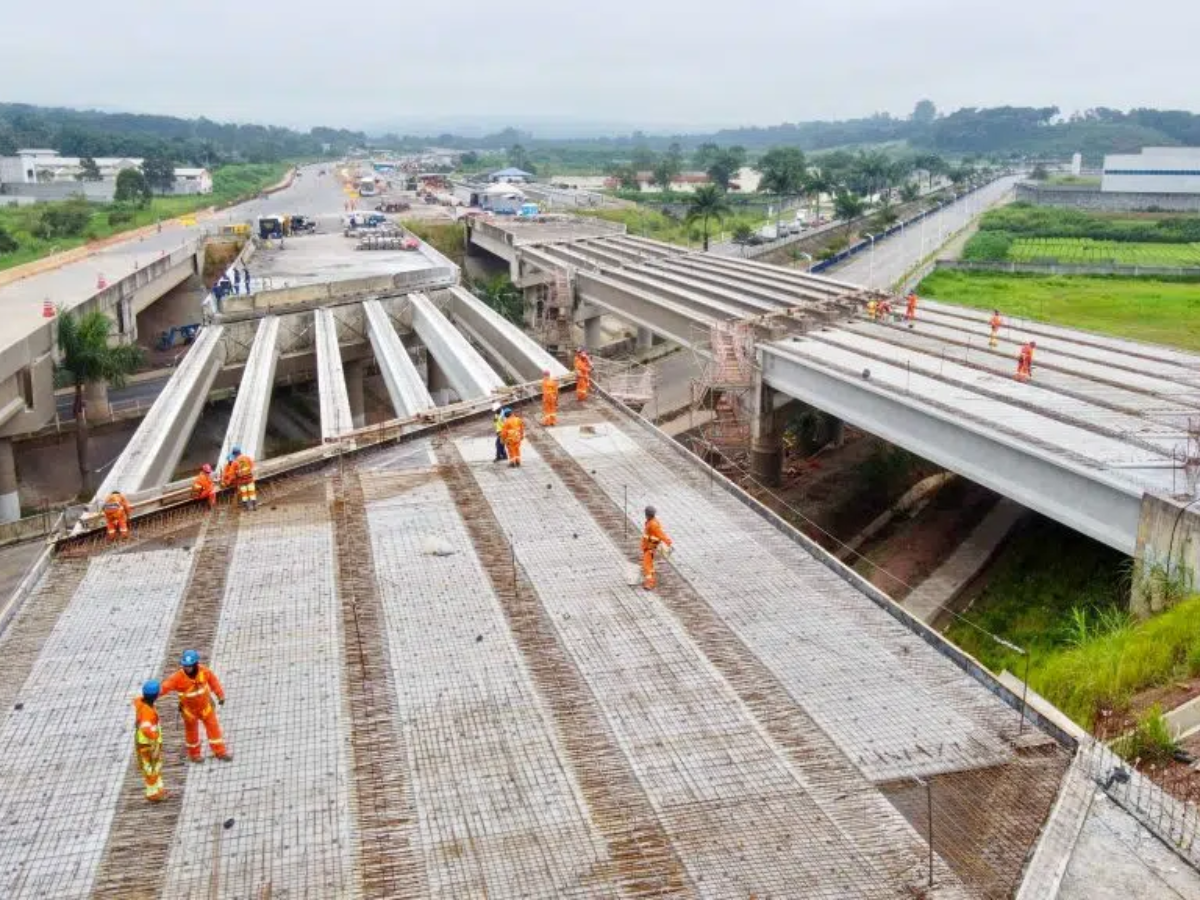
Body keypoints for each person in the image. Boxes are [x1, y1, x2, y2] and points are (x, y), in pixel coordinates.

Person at [160, 650, 231, 763]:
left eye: (189, 666)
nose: (187, 668)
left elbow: (214, 682)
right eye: (185, 666)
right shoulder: (177, 678)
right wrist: (150, 696)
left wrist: (220, 695)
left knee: (214, 730)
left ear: (195, 664)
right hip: (189, 712)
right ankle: (194, 755)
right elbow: (164, 687)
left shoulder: (204, 671)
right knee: (192, 734)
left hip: (206, 708)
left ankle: (220, 752)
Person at [133, 680, 167, 802]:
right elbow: (146, 728)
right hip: (148, 744)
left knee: (155, 765)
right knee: (151, 768)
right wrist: (154, 737)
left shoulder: (142, 703)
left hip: (147, 742)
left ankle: (159, 788)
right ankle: (152, 793)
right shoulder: (147, 711)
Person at [641, 505, 673, 590]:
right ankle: (650, 578)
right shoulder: (650, 522)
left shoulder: (653, 524)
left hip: (650, 547)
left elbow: (661, 534)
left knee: (647, 565)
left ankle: (650, 583)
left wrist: (668, 543)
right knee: (648, 564)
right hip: (648, 546)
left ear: (647, 514)